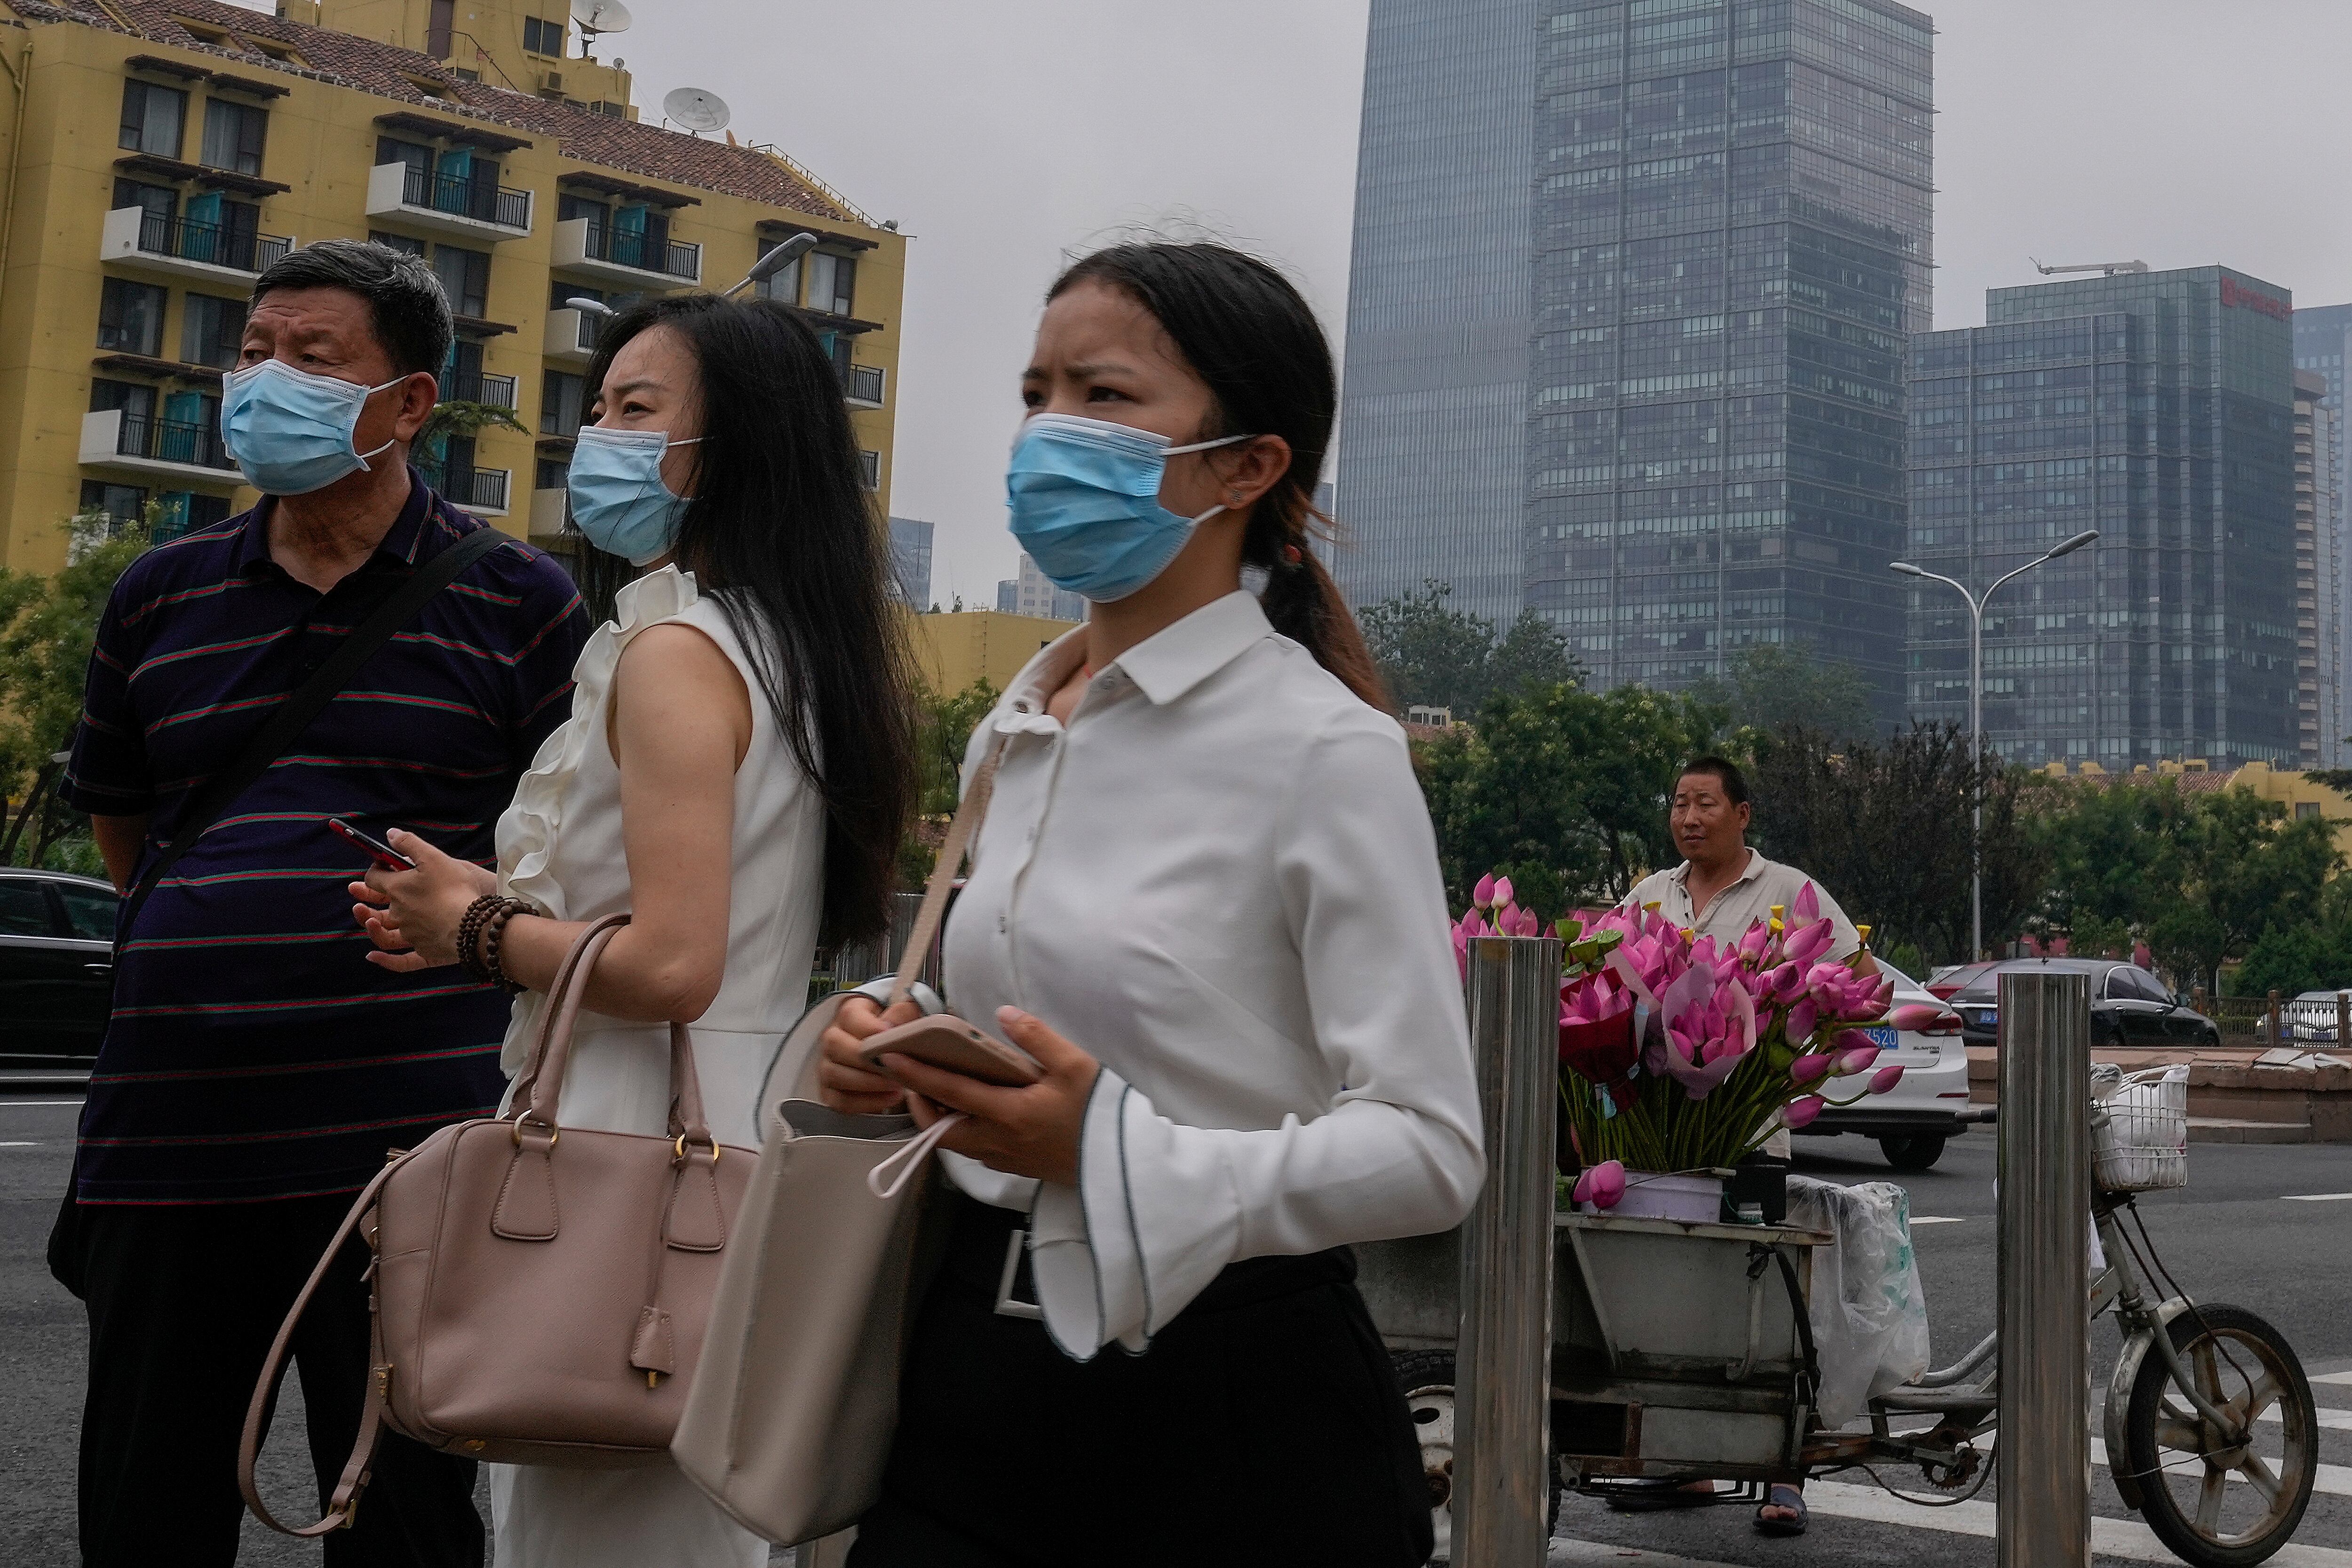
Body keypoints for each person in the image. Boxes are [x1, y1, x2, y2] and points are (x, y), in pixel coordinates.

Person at [816, 241, 1486, 1568]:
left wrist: (1113, 1151)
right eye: (1038, 390)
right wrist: (899, 1045)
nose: (1052, 430)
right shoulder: (1016, 726)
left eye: (1107, 396)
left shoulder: (1325, 750)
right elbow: (1025, 1018)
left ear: (1250, 465)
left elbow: (1431, 1149)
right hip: (966, 1360)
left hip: (1229, 1393)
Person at [353, 292, 917, 1568]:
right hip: (736, 1138)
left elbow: (670, 960)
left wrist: (476, 926)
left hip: (625, 1143)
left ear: (738, 449)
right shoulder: (792, 651)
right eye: (598, 405)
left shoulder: (676, 651)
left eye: (635, 410)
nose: (593, 436)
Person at [58, 239, 592, 1567]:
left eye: (311, 358)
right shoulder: (160, 592)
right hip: (169, 1134)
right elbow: (127, 821)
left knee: (402, 1508)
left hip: (406, 1151)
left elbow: (568, 855)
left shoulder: (519, 601)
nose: (264, 383)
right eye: (253, 352)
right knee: (143, 1501)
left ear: (407, 403)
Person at [1618, 753, 1873, 1536]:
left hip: (1752, 1138)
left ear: (1742, 813)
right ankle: (1690, 1464)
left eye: (1705, 803)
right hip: (1660, 1142)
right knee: (1676, 1303)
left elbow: (1859, 975)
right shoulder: (1649, 896)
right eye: (1679, 803)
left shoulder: (1790, 892)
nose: (1689, 817)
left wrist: (1809, 1043)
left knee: (1766, 1308)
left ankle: (1786, 1472)